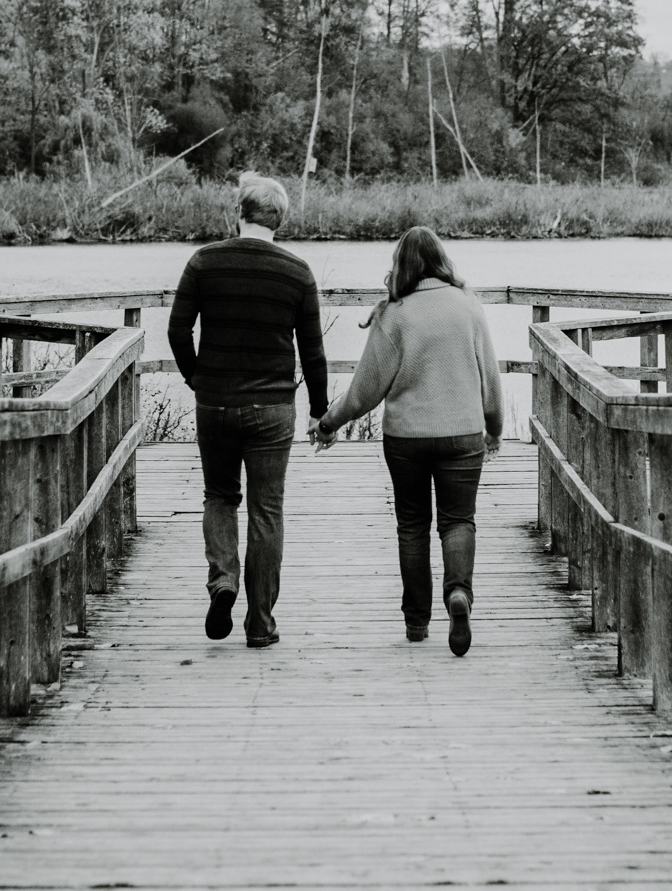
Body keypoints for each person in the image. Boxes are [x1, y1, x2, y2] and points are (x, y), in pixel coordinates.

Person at [313, 226, 503, 655]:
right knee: (458, 520)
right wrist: (494, 429)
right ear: (442, 260)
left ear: (401, 265)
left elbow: (365, 391)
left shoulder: (394, 314)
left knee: (413, 526)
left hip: (407, 438)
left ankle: (417, 622)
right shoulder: (469, 307)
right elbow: (490, 380)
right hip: (463, 434)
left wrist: (328, 423)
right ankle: (458, 595)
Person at [167, 171, 330, 648]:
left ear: (239, 213)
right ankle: (260, 624)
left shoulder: (203, 262)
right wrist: (321, 412)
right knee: (267, 510)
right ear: (279, 220)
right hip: (273, 407)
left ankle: (223, 584)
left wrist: (196, 378)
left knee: (219, 496)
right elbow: (314, 353)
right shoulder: (297, 272)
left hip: (215, 403)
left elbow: (178, 333)